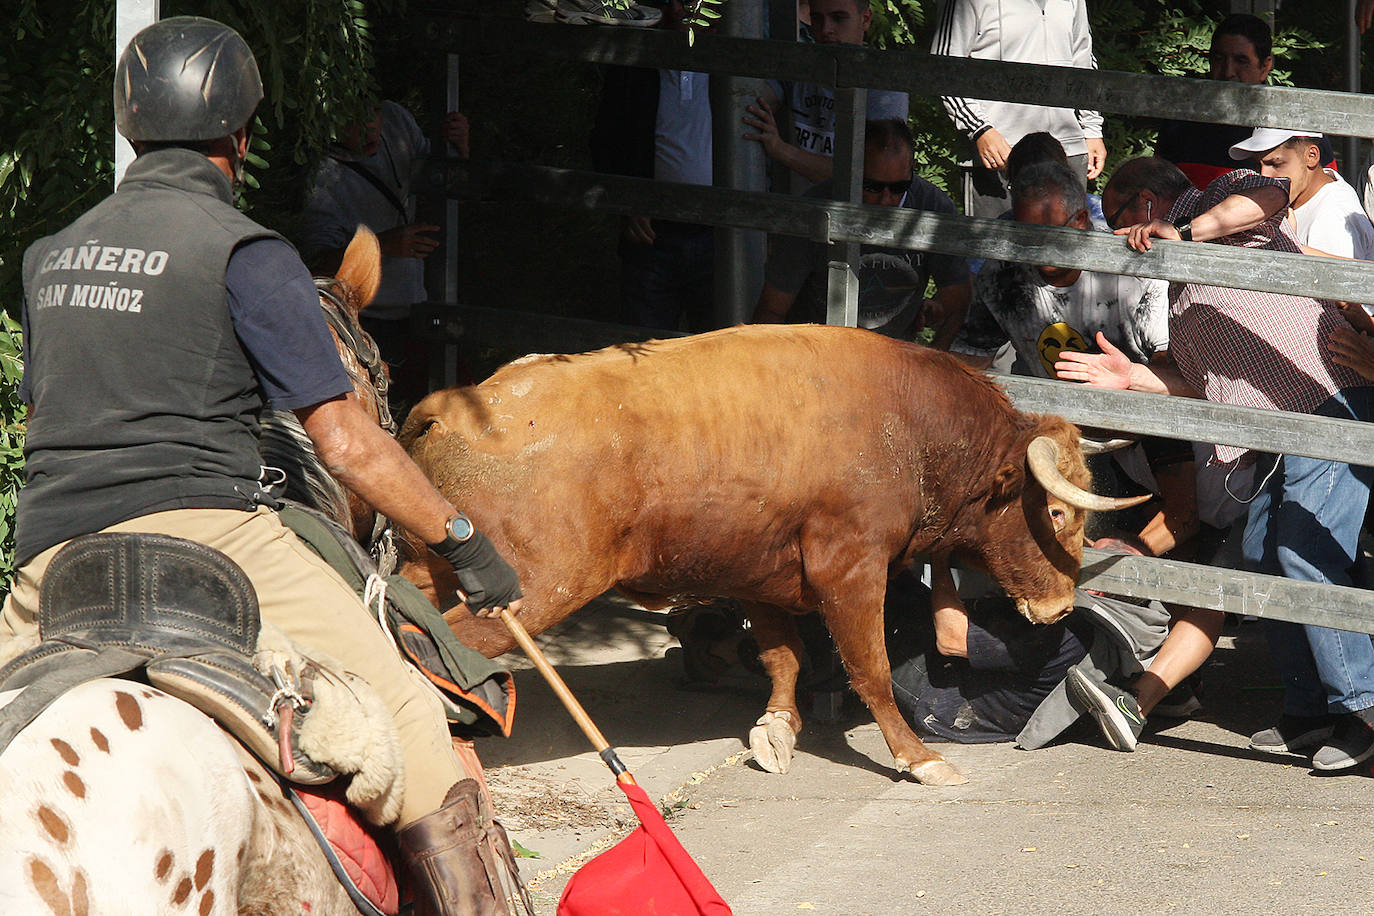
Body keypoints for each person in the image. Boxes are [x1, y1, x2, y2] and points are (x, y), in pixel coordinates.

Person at [2, 18, 523, 913]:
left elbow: (46, 417)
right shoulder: (248, 253)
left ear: (130, 122)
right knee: (417, 733)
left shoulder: (50, 258)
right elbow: (347, 442)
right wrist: (462, 541)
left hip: (52, 560)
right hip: (212, 539)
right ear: (239, 136)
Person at [1056, 156, 1374, 771]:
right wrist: (1128, 378)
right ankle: (1311, 710)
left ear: (1147, 206)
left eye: (1116, 215)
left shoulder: (1226, 216)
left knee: (1304, 553)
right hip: (1283, 430)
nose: (1112, 230)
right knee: (1260, 556)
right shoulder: (1178, 299)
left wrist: (1186, 231)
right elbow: (1194, 381)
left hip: (1332, 404)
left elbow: (1271, 195)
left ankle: (1364, 710)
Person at [298, 99, 468, 405]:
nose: (369, 126)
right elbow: (317, 261)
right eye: (353, 118)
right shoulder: (321, 178)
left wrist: (458, 148)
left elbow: (436, 170)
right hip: (365, 322)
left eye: (373, 111)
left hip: (416, 308)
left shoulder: (397, 121)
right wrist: (381, 245)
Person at [752, 118, 971, 347]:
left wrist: (931, 365)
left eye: (898, 188)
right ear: (852, 171)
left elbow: (958, 304)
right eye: (872, 187)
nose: (886, 199)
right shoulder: (814, 209)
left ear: (912, 169)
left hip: (894, 355)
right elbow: (771, 309)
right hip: (817, 351)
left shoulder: (934, 207)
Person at [590, 0, 715, 332]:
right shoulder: (635, 61)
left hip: (722, 236)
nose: (676, 8)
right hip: (651, 238)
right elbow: (606, 139)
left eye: (688, 0)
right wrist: (628, 201)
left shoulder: (737, 61)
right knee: (644, 356)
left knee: (723, 359)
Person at [930, 0, 1106, 218]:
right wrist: (980, 130)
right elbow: (944, 69)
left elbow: (1083, 59)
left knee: (1067, 248)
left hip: (1067, 153)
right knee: (991, 248)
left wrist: (1091, 129)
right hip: (999, 156)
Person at [743, 0, 909, 189]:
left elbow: (871, 173)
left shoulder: (883, 84)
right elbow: (750, 101)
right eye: (817, 18)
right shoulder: (799, 68)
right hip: (795, 210)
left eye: (838, 18)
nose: (826, 29)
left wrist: (781, 150)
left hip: (849, 214)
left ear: (865, 19)